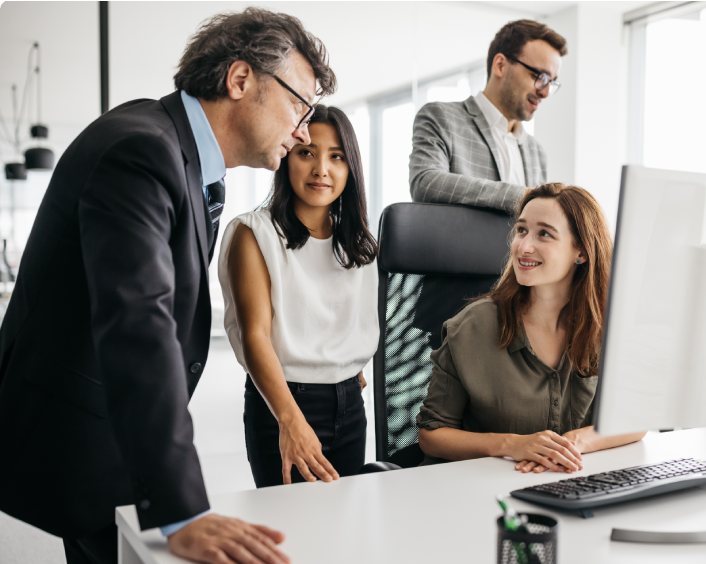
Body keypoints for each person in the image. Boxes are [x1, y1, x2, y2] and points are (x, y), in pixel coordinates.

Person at [0, 8, 335, 564]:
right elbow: (138, 321)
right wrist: (182, 508)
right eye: (299, 104)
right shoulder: (142, 150)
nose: (303, 130)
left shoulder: (176, 152)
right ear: (240, 79)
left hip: (106, 428)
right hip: (79, 437)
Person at [416, 183, 647, 470]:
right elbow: (431, 435)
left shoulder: (606, 325)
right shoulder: (471, 327)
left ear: (582, 252)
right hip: (485, 492)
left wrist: (571, 444)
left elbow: (635, 421)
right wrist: (511, 445)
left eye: (545, 234)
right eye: (522, 230)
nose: (524, 246)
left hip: (573, 484)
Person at [219, 105, 378, 488]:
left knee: (341, 529)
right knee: (292, 531)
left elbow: (351, 315)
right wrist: (290, 421)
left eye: (336, 157)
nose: (321, 169)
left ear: (350, 169)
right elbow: (255, 336)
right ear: (286, 158)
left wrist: (342, 362)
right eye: (307, 152)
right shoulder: (254, 233)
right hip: (284, 402)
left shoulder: (357, 243)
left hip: (349, 404)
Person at [409, 20, 567, 215]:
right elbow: (426, 182)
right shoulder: (441, 118)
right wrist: (521, 195)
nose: (544, 93)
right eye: (540, 77)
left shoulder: (536, 152)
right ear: (500, 65)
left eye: (551, 82)